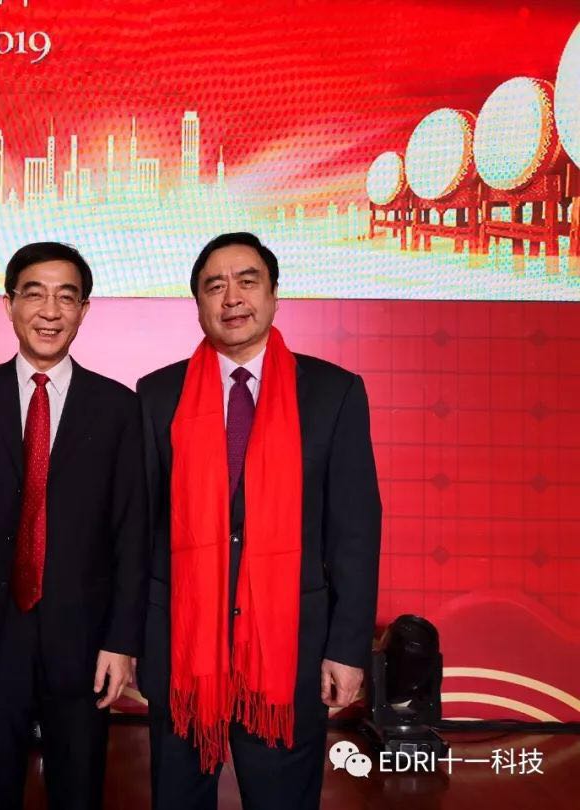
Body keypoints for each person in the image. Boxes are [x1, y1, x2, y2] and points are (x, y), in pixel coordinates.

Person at [137, 233, 381, 810]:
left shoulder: (334, 392)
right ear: (197, 303)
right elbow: (139, 531)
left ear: (274, 294)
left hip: (289, 645)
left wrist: (347, 648)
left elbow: (354, 531)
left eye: (247, 282)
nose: (232, 298)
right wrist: (129, 643)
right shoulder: (156, 394)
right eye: (214, 286)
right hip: (182, 644)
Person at [0, 242, 148, 810]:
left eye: (66, 297)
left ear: (84, 309)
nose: (50, 311)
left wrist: (121, 641)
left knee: (79, 791)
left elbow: (131, 534)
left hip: (84, 642)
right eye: (34, 294)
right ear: (9, 304)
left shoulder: (118, 407)